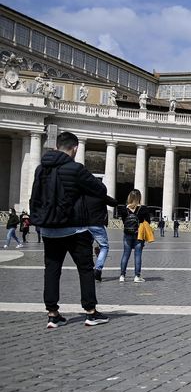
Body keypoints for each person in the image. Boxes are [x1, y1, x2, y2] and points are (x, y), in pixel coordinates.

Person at [28, 131, 109, 328]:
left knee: (52, 270)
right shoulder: (76, 169)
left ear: (56, 147)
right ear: (75, 149)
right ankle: (90, 312)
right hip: (75, 229)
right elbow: (100, 190)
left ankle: (52, 314)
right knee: (85, 269)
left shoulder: (41, 169)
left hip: (49, 228)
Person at [84, 188, 118, 282]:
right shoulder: (100, 196)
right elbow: (114, 202)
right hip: (97, 224)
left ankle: (89, 269)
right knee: (104, 247)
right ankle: (98, 269)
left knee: (87, 246)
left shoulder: (85, 195)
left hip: (85, 224)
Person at [118, 189, 151, 283]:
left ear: (129, 197)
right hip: (138, 234)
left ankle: (122, 276)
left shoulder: (124, 209)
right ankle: (137, 276)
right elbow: (148, 222)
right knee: (138, 255)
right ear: (139, 198)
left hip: (127, 233)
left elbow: (124, 221)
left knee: (125, 255)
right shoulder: (143, 209)